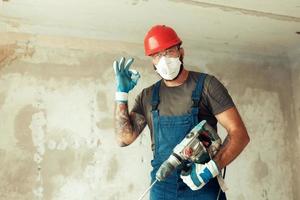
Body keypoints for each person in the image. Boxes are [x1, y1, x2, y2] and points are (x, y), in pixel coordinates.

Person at [113, 25, 250, 200]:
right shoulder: (147, 96)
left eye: (169, 52)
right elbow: (123, 139)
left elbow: (240, 134)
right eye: (157, 55)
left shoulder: (207, 86)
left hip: (202, 183)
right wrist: (121, 94)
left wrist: (211, 169)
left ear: (181, 52)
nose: (164, 60)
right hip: (163, 187)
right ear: (152, 61)